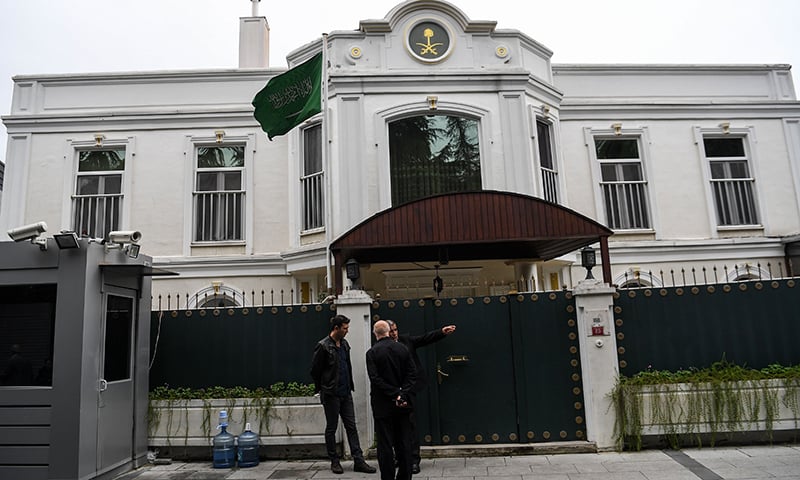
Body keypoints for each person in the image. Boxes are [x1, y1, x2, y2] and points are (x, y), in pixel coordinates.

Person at [310, 315, 376, 474]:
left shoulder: (345, 344)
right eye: (345, 328)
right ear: (336, 328)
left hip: (346, 392)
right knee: (331, 428)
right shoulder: (323, 346)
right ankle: (334, 461)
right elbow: (315, 371)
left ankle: (358, 460)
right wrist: (323, 388)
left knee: (351, 426)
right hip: (331, 394)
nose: (347, 331)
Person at [387, 320, 456, 473]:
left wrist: (442, 332)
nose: (394, 333)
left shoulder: (406, 341)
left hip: (409, 389)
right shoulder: (383, 346)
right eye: (391, 331)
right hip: (393, 391)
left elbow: (425, 338)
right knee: (395, 426)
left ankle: (413, 460)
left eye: (395, 330)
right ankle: (399, 457)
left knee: (410, 425)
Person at [366, 320, 417, 480]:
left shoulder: (372, 353)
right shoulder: (402, 349)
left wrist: (393, 393)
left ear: (376, 334)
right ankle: (405, 475)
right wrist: (402, 393)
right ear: (388, 332)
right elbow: (412, 374)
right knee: (404, 442)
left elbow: (375, 379)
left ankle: (388, 476)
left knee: (385, 444)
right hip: (403, 403)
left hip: (382, 405)